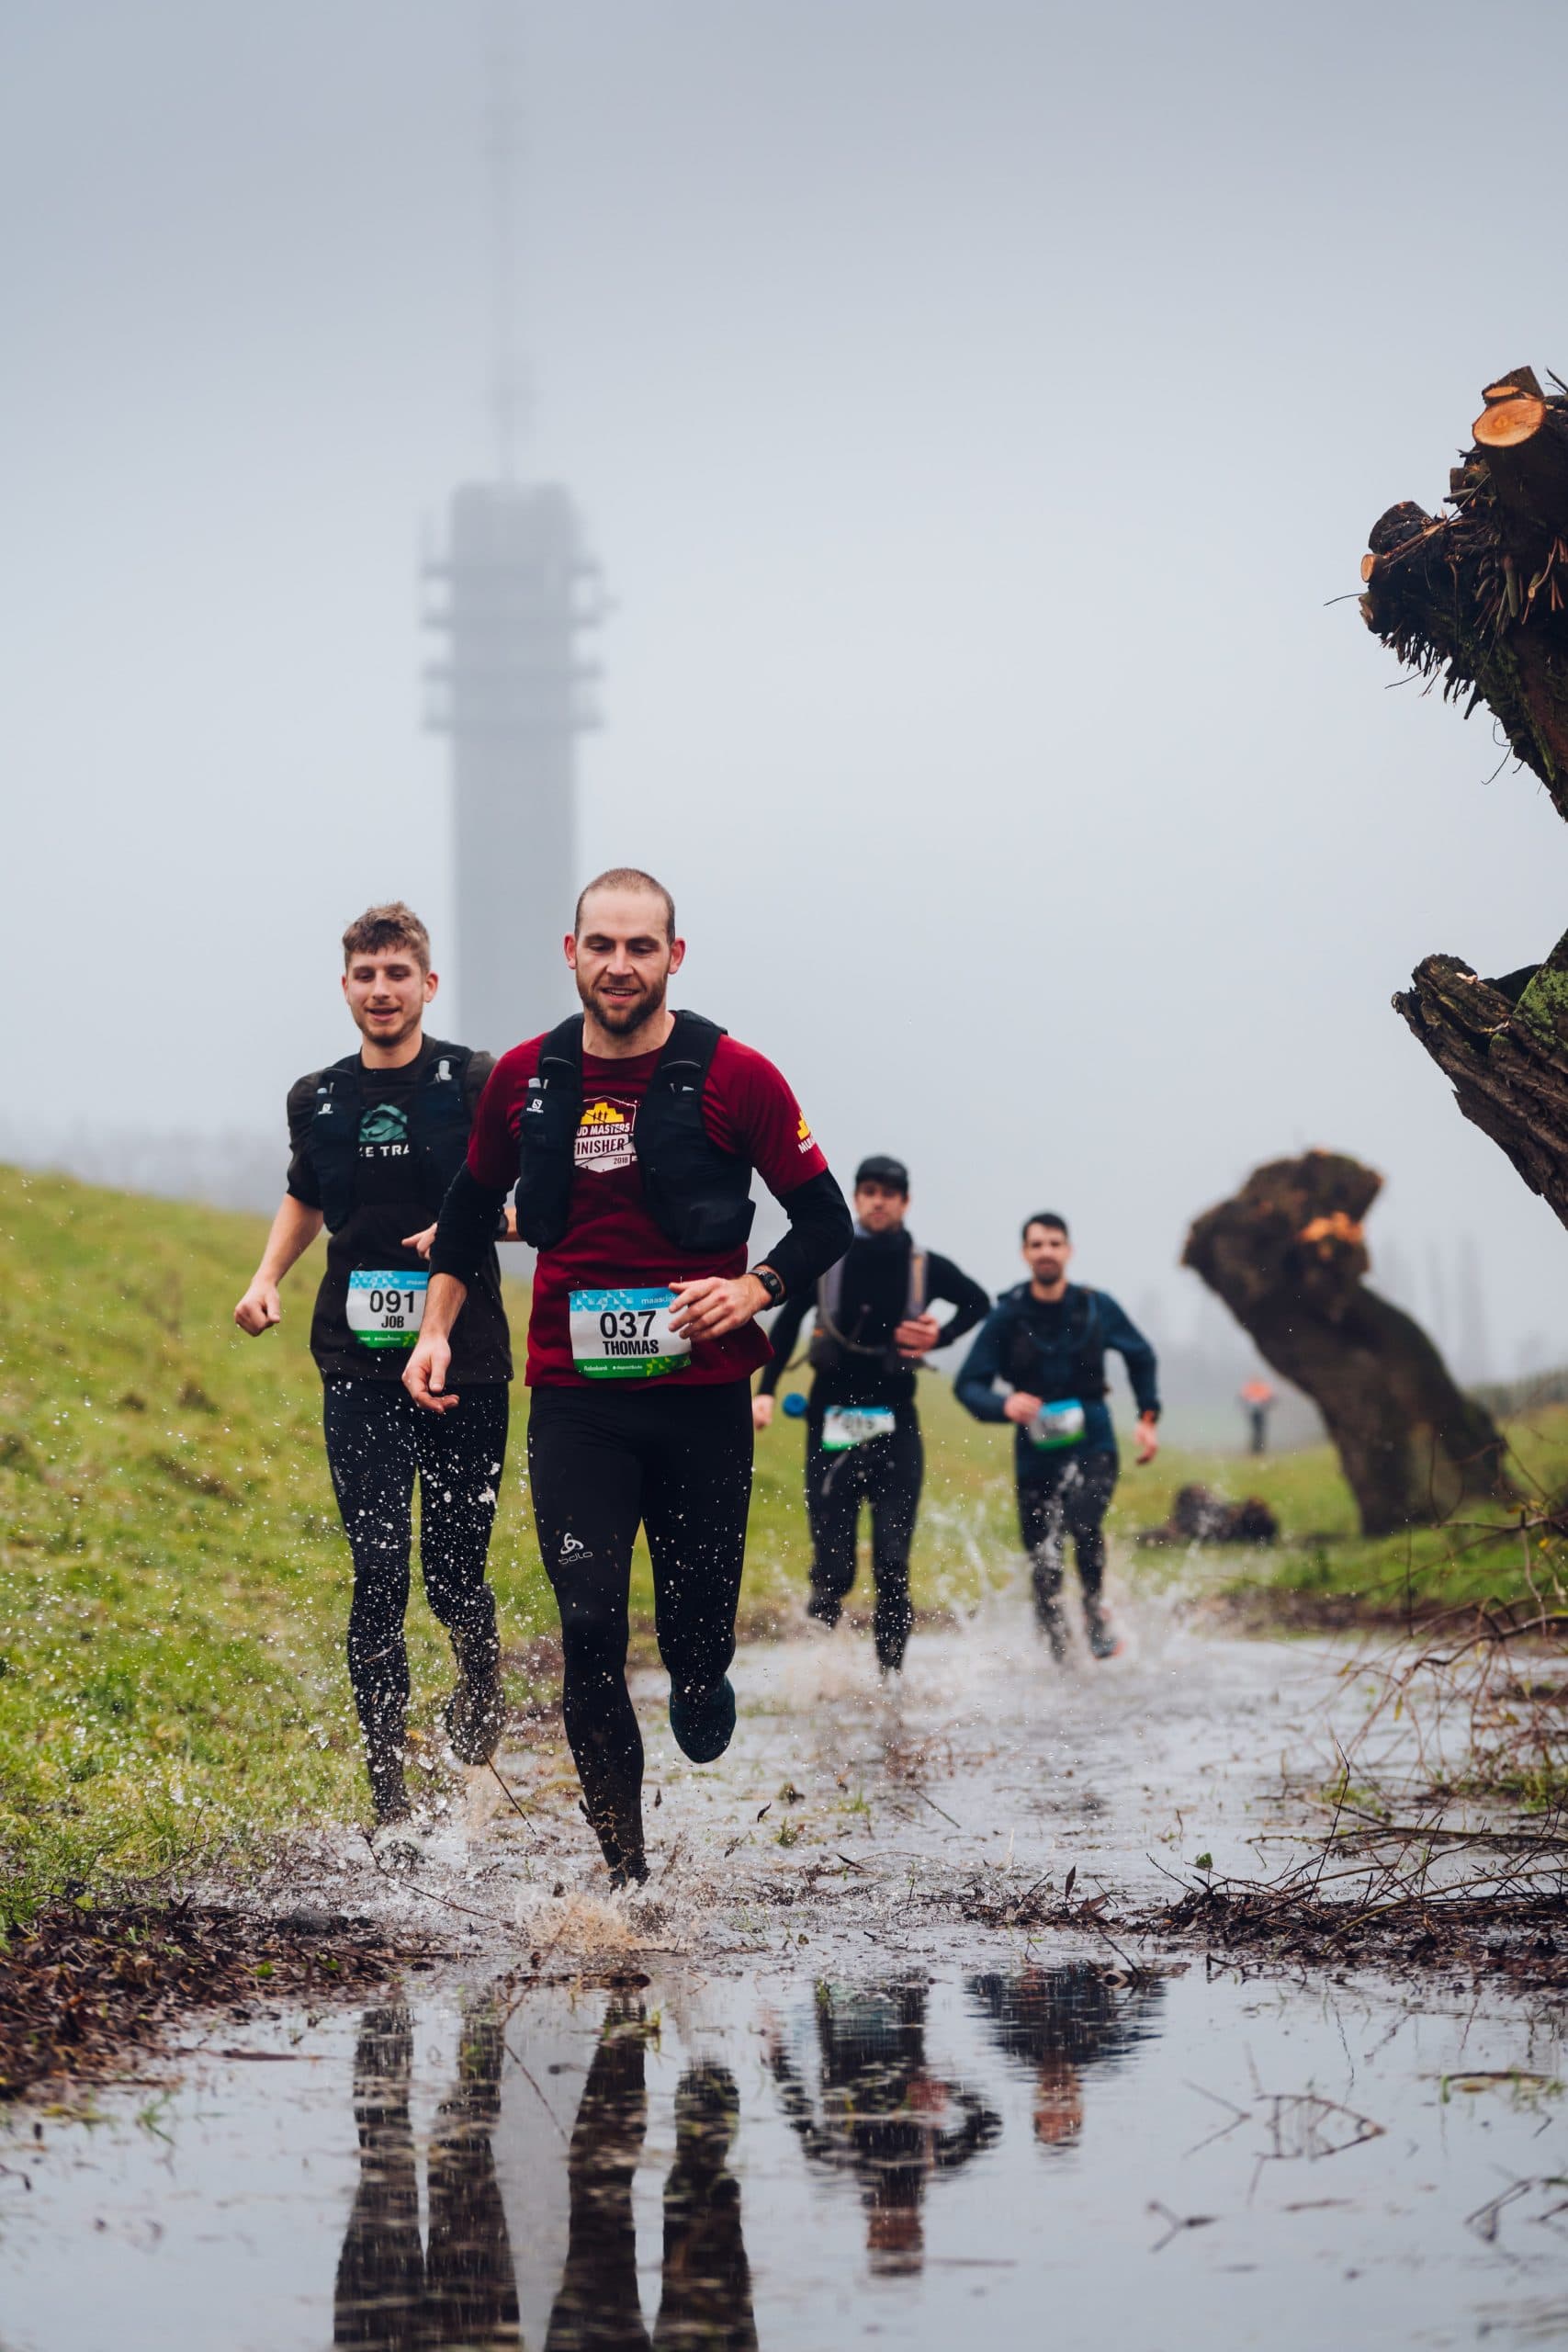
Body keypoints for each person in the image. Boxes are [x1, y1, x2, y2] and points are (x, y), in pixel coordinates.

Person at [405, 868, 852, 1888]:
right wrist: (435, 1330)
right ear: (571, 954)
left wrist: (755, 1288)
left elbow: (824, 1217)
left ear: (673, 957)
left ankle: (699, 1675)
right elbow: (468, 1211)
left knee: (696, 1637)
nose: (619, 965)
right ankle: (628, 1877)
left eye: (640, 946)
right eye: (600, 945)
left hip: (702, 1404)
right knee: (590, 1625)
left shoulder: (739, 1076)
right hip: (577, 1404)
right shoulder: (525, 1078)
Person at [233, 903, 515, 1849]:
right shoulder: (316, 1096)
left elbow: (526, 1196)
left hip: (467, 1360)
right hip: (356, 1362)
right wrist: (267, 1277)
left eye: (399, 973)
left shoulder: (472, 1080)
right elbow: (306, 1194)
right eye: (366, 974)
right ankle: (388, 1795)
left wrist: (476, 1226)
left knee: (452, 1576)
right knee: (379, 1568)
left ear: (428, 985)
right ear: (346, 986)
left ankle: (478, 1672)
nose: (382, 990)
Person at [752, 1155, 988, 1671]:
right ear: (857, 1199)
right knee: (833, 1569)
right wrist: (765, 1392)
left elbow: (978, 1302)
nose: (878, 1201)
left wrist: (940, 1336)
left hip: (896, 1423)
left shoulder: (924, 1266)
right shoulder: (828, 1260)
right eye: (869, 1192)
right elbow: (786, 1327)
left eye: (889, 1193)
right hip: (830, 1421)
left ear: (905, 1202)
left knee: (893, 1564)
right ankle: (818, 1675)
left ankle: (890, 1682)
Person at [955, 1212, 1159, 1660]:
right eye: (1037, 1244)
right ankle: (1058, 1656)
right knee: (1042, 1555)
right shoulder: (1008, 1315)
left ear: (1068, 1251)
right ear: (1025, 1254)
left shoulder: (1095, 1306)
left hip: (1093, 1439)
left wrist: (1148, 1416)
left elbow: (1141, 1355)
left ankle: (1094, 1611)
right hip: (1035, 1449)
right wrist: (1003, 1405)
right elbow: (968, 1384)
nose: (1046, 1251)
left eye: (1054, 1243)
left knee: (1083, 1523)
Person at [1239, 1375, 1275, 1454]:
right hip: (1258, 1412)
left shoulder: (1250, 1388)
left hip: (1256, 1412)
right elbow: (1271, 1398)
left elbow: (1242, 1398)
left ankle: (1256, 1449)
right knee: (1259, 1430)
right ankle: (1258, 1449)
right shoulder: (1262, 1388)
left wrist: (1245, 1407)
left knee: (1256, 1431)